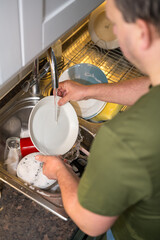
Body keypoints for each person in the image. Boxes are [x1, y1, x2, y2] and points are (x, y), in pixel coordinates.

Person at [36, 0, 160, 239]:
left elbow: (91, 222)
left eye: (115, 23)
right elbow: (152, 86)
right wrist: (89, 91)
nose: (113, 31)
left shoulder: (124, 138)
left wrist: (61, 171)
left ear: (142, 33)